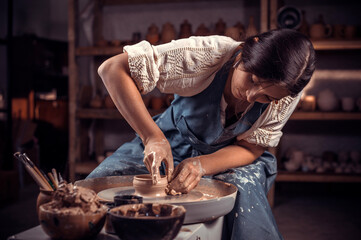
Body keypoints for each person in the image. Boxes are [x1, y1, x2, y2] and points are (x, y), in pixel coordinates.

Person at [87, 28, 316, 239]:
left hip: (229, 157)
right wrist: (152, 137)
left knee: (242, 195)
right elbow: (112, 68)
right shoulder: (206, 54)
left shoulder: (285, 94)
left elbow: (251, 148)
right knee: (94, 193)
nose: (250, 96)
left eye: (266, 97)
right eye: (252, 79)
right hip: (170, 140)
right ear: (248, 49)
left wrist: (201, 165)